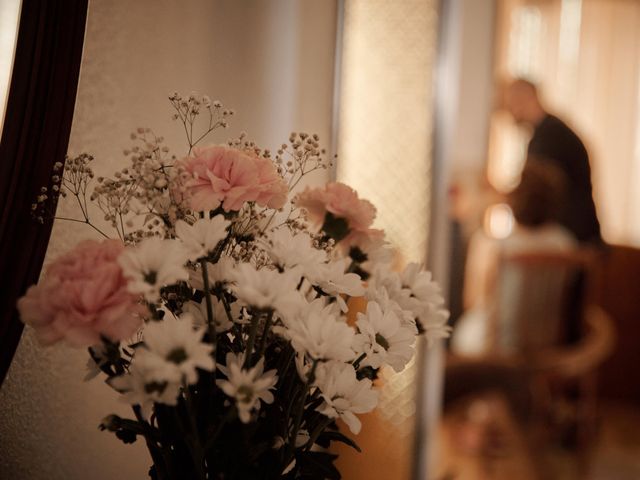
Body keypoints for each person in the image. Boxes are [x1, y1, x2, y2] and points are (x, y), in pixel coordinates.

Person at [451, 161, 577, 356]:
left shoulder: (494, 245)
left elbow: (472, 301)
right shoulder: (566, 244)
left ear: (515, 198)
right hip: (548, 345)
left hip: (497, 346)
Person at [503, 79, 602, 244]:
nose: (509, 111)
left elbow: (532, 194)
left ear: (526, 98)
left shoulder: (548, 138)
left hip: (572, 239)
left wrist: (499, 195)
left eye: (510, 104)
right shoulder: (551, 131)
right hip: (575, 235)